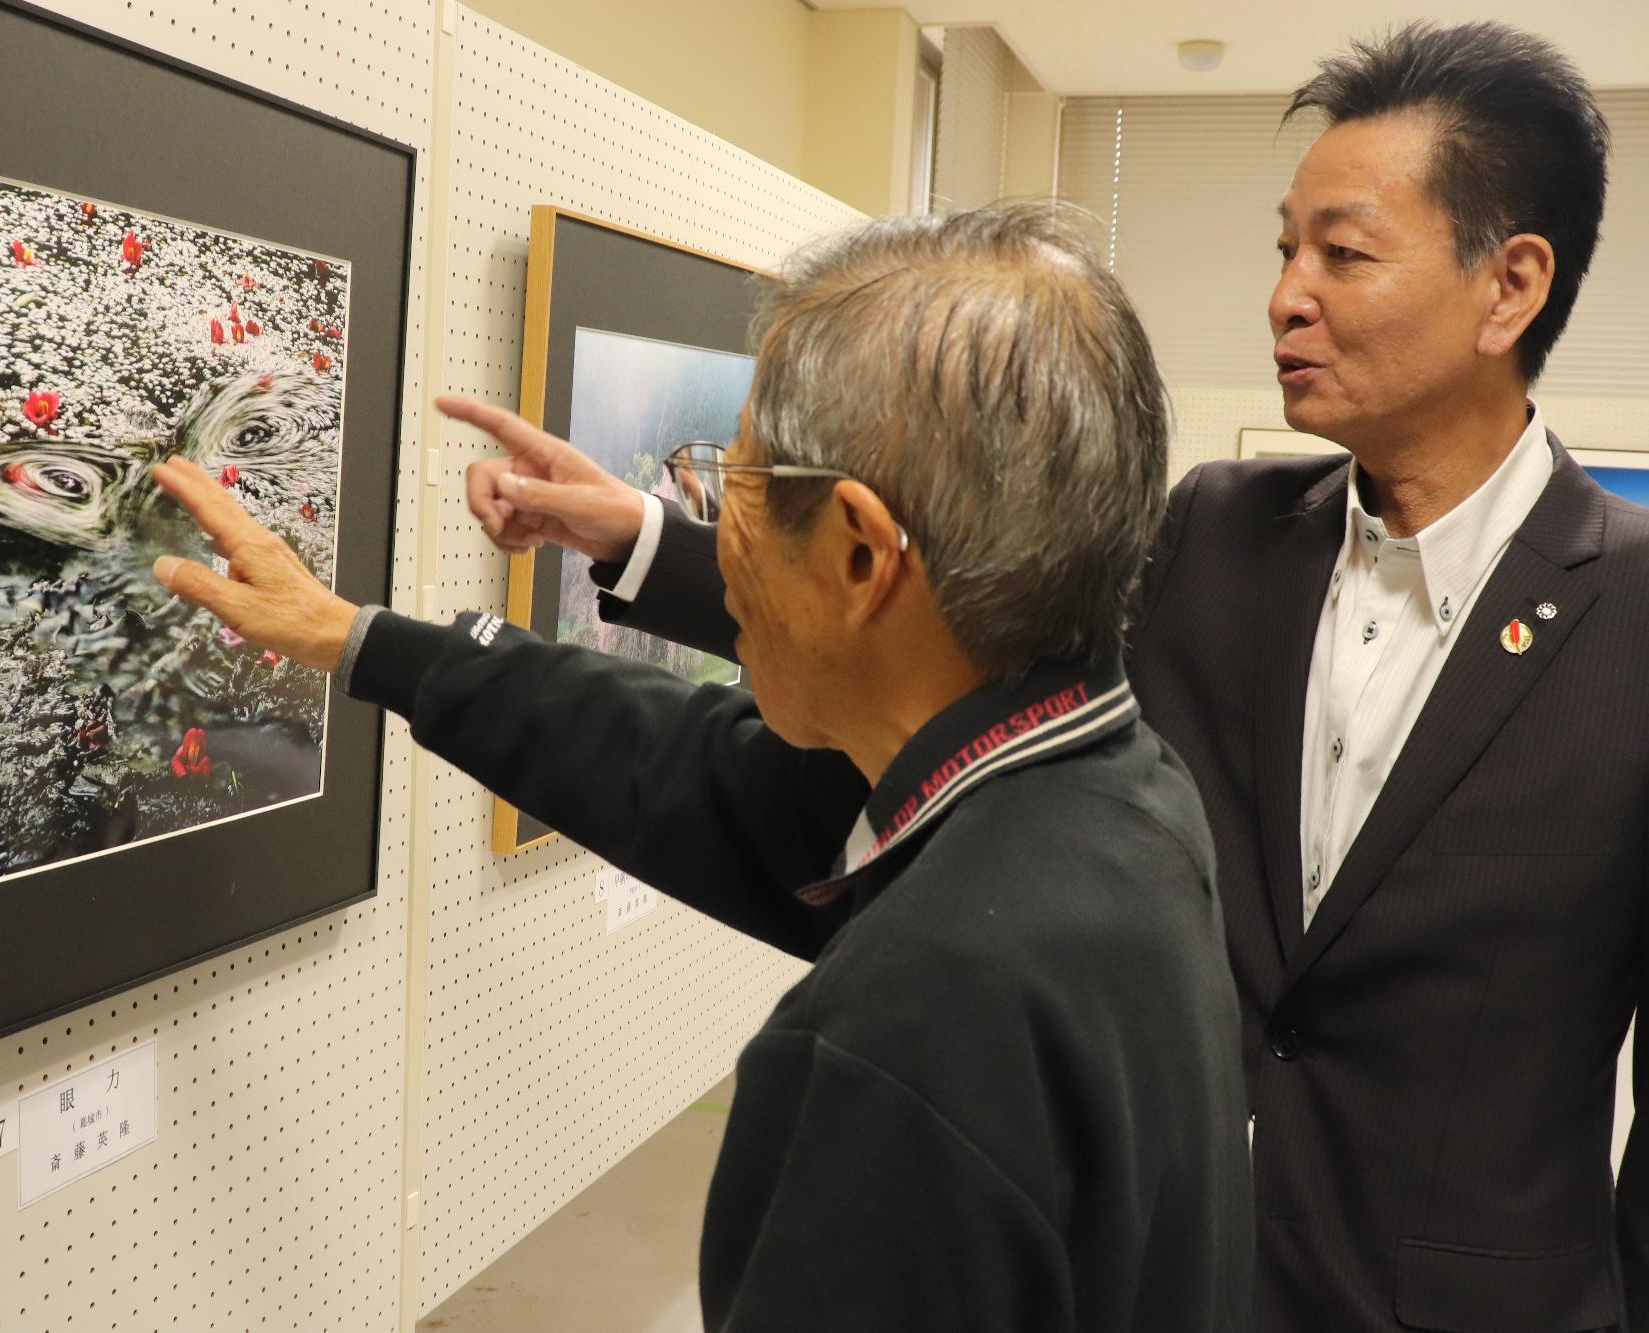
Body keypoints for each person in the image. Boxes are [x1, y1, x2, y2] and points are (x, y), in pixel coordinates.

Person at [475, 21, 1646, 1333]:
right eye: (1283, 248)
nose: (1285, 295)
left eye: (1344, 253)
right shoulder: (1217, 531)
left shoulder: (1635, 621)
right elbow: (947, 604)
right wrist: (640, 539)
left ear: (1512, 287)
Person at [151, 203, 1255, 1330]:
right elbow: (696, 763)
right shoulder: (1110, 791)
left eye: (734, 482)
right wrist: (362, 639)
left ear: (861, 551)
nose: (713, 523)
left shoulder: (907, 1032)